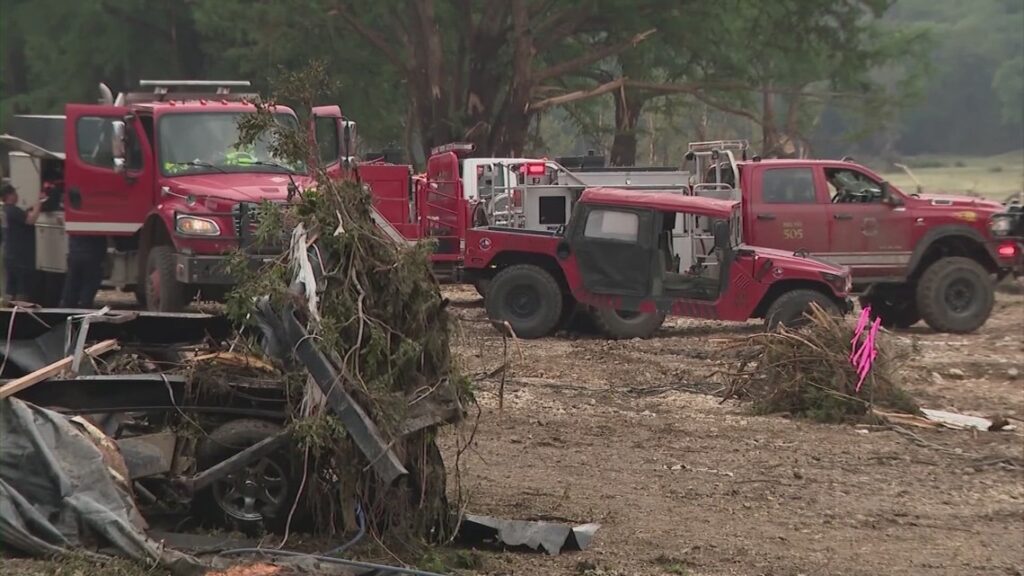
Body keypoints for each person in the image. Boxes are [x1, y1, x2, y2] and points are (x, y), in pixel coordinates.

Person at [1, 183, 43, 302]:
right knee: (22, 289)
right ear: (9, 195)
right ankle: (21, 310)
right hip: (20, 257)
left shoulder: (5, 211)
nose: (17, 195)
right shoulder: (14, 210)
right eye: (15, 193)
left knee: (11, 288)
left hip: (9, 254)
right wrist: (38, 205)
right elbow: (31, 220)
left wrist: (29, 210)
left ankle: (7, 309)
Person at [60, 232, 107, 309]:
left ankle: (67, 310)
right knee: (88, 288)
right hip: (93, 254)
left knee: (72, 286)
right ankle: (84, 309)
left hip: (75, 252)